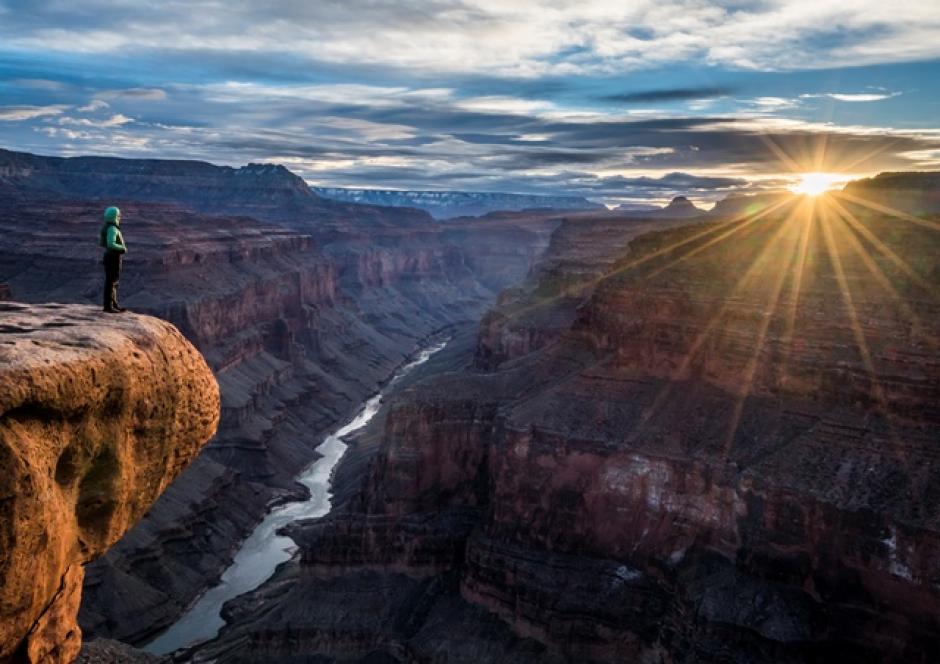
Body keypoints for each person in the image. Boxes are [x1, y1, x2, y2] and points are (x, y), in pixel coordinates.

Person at [98, 206, 127, 313]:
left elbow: (101, 243)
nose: (119, 218)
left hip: (108, 256)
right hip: (113, 257)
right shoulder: (113, 229)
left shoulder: (106, 227)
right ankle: (109, 306)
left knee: (112, 281)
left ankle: (113, 304)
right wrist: (122, 248)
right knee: (111, 282)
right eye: (118, 216)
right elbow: (111, 244)